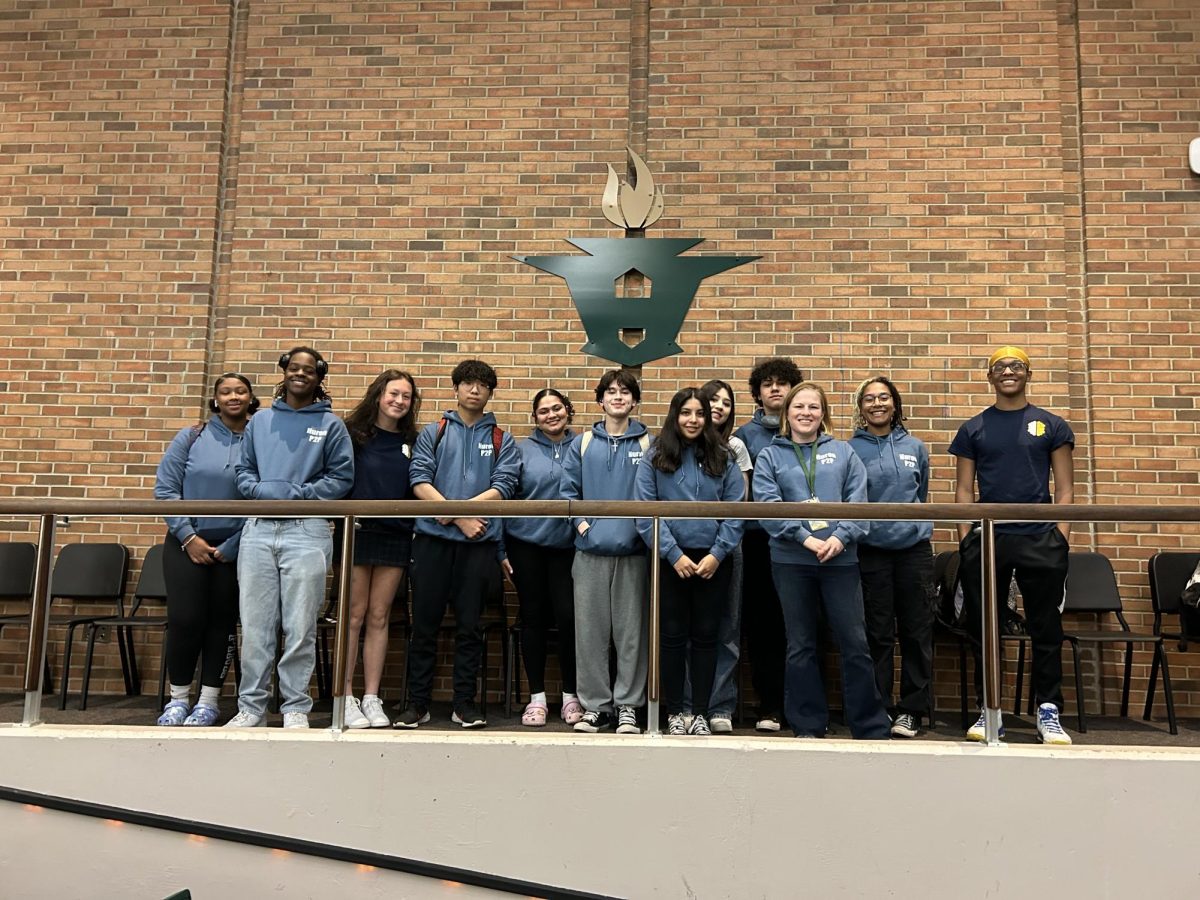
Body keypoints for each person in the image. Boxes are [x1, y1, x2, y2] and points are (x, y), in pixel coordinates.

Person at [950, 346, 1075, 745]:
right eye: (999, 367)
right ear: (990, 378)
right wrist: (967, 537)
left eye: (1016, 365)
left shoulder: (1050, 424)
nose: (1008, 371)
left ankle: (1048, 711)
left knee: (1046, 627)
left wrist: (1060, 536)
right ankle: (991, 712)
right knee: (984, 627)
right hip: (990, 540)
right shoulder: (974, 428)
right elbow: (963, 489)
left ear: (1028, 374)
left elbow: (1066, 488)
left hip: (1040, 539)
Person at [751, 383, 890, 740]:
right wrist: (807, 538)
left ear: (823, 413)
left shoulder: (844, 453)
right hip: (791, 561)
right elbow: (768, 507)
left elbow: (859, 506)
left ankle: (870, 725)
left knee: (854, 642)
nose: (806, 413)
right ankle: (808, 725)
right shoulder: (770, 455)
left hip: (840, 561)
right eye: (799, 406)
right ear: (787, 413)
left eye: (814, 407)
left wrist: (838, 539)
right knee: (800, 644)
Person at [226, 347, 354, 729]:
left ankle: (295, 705)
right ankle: (251, 707)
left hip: (307, 530)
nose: (301, 374)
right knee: (256, 625)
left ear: (319, 378)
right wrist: (262, 492)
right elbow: (243, 471)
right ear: (283, 373)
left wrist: (298, 495)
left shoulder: (331, 425)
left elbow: (341, 478)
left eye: (309, 370)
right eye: (294, 368)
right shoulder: (260, 421)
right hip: (258, 530)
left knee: (300, 626)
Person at [396, 359, 520, 730]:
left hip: (479, 546)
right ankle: (417, 704)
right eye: (467, 383)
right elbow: (419, 480)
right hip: (433, 543)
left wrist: (466, 519)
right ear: (456, 389)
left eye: (482, 385)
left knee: (470, 628)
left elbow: (504, 487)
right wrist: (458, 517)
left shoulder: (502, 438)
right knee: (425, 626)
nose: (475, 390)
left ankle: (464, 703)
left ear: (490, 393)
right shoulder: (434, 432)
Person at [636, 388, 745, 736]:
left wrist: (717, 554)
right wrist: (673, 554)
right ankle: (675, 711)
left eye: (700, 413)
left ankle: (699, 711)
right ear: (674, 415)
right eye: (686, 413)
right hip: (671, 560)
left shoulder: (723, 456)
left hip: (713, 559)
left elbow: (736, 512)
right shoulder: (655, 455)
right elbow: (644, 512)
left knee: (706, 636)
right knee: (670, 637)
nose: (693, 420)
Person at [153, 373, 259, 726]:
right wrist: (187, 536)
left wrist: (235, 543)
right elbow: (166, 491)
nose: (233, 396)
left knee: (222, 624)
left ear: (250, 398)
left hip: (235, 548)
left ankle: (209, 700)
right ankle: (178, 699)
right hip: (186, 543)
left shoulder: (259, 439)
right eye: (225, 391)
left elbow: (263, 498)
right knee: (185, 620)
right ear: (215, 399)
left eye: (240, 391)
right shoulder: (191, 436)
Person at [561, 369, 651, 734]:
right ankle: (596, 707)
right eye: (611, 392)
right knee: (590, 634)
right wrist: (586, 527)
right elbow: (568, 493)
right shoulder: (582, 443)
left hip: (633, 554)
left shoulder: (649, 444)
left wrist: (635, 532)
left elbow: (652, 494)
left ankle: (628, 705)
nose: (618, 397)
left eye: (625, 392)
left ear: (633, 400)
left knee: (631, 634)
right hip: (590, 554)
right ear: (600, 400)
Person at [849, 376, 935, 739]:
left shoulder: (915, 446)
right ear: (861, 408)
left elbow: (923, 490)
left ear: (895, 404)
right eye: (869, 399)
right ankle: (880, 707)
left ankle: (913, 710)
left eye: (884, 397)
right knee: (877, 634)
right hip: (871, 552)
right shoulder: (850, 449)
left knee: (917, 632)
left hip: (914, 552)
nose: (877, 404)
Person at [339, 370, 421, 729]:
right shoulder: (352, 434)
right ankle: (346, 696)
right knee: (353, 616)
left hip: (395, 533)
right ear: (378, 395)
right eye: (393, 394)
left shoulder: (413, 440)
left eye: (406, 396)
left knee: (379, 616)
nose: (399, 401)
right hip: (357, 532)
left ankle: (372, 697)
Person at [500, 389, 582, 727]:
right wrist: (500, 549)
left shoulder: (583, 446)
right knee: (533, 618)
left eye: (557, 408)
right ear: (535, 418)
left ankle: (570, 696)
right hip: (526, 545)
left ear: (568, 411)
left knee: (568, 618)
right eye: (544, 411)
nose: (551, 415)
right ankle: (536, 698)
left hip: (568, 548)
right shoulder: (521, 450)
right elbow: (504, 496)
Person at [733, 357, 803, 732]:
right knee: (763, 627)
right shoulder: (744, 436)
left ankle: (802, 704)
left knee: (802, 625)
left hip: (803, 541)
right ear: (758, 393)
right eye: (768, 384)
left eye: (783, 383)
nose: (775, 389)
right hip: (759, 541)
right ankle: (769, 706)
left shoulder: (810, 429)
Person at [680, 378, 752, 732]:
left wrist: (720, 550)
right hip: (683, 552)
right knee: (687, 630)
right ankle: (688, 707)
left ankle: (719, 706)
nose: (719, 407)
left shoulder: (734, 447)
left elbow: (739, 503)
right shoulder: (675, 448)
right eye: (713, 401)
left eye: (726, 402)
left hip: (725, 549)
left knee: (724, 629)